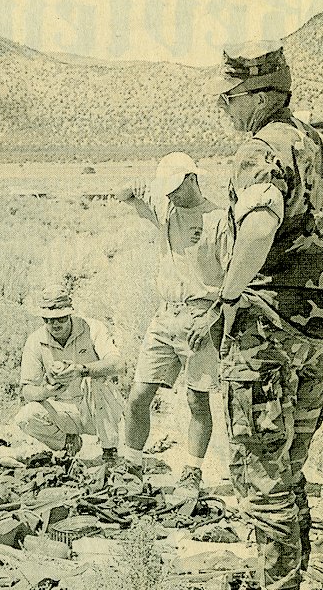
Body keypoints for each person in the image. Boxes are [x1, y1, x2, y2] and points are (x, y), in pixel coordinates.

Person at [198, 40, 323, 590]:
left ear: (251, 97)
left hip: (267, 335)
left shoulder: (261, 149)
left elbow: (257, 224)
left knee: (259, 475)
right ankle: (294, 576)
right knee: (289, 466)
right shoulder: (315, 143)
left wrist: (228, 295)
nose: (224, 110)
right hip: (317, 330)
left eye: (227, 100)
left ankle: (279, 584)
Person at [116, 153, 229, 494]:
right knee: (138, 396)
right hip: (165, 316)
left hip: (201, 319)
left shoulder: (219, 220)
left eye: (176, 189)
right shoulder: (167, 210)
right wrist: (136, 186)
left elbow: (236, 278)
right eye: (166, 191)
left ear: (193, 179)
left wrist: (212, 317)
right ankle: (131, 467)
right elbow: (127, 194)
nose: (170, 197)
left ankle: (192, 473)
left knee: (197, 402)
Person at [15, 286, 124, 462]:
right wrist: (48, 391)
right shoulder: (35, 340)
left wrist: (81, 370)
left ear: (70, 314)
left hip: (99, 408)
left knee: (95, 381)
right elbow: (27, 391)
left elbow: (118, 364)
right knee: (26, 416)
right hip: (65, 409)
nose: (55, 324)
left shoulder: (92, 328)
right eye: (49, 320)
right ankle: (68, 442)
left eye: (61, 318)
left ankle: (109, 450)